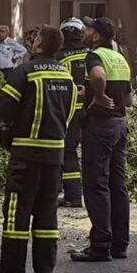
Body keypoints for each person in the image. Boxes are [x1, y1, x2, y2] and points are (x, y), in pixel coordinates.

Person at [0, 26, 76, 273]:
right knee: (47, 211)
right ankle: (44, 269)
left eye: (34, 38)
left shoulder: (24, 72)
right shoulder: (66, 75)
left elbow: (4, 109)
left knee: (17, 210)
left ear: (37, 44)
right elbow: (70, 113)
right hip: (54, 154)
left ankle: (11, 269)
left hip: (26, 152)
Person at [71, 17, 132, 263]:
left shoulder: (94, 56)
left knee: (97, 186)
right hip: (120, 124)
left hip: (101, 126)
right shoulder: (120, 58)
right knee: (118, 185)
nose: (84, 33)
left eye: (88, 29)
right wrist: (97, 93)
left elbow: (97, 75)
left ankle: (99, 246)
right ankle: (120, 245)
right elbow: (128, 100)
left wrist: (96, 96)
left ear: (96, 36)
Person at [55, 18, 87, 209]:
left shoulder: (58, 58)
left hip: (67, 114)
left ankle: (72, 195)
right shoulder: (92, 55)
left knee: (67, 152)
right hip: (93, 112)